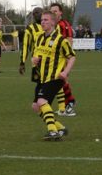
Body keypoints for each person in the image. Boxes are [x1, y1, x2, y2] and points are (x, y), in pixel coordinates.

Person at [30, 10, 76, 141]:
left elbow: (72, 57)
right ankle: (60, 128)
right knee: (36, 107)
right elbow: (36, 55)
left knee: (41, 101)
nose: (42, 22)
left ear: (53, 22)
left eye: (46, 20)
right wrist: (34, 59)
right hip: (42, 78)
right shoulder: (39, 37)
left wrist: (65, 72)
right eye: (42, 20)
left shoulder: (61, 40)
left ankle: (53, 132)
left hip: (55, 78)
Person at [50, 2, 77, 116]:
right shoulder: (53, 25)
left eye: (55, 11)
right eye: (51, 11)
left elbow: (69, 40)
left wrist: (67, 58)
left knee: (62, 80)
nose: (53, 13)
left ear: (60, 12)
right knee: (58, 81)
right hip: (55, 59)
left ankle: (70, 103)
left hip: (63, 58)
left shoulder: (64, 24)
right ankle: (65, 106)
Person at [19, 7, 44, 76]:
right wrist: (22, 62)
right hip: (36, 61)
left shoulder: (51, 26)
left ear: (43, 13)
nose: (36, 14)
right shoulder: (30, 29)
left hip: (50, 61)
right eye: (34, 13)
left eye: (38, 12)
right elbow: (25, 46)